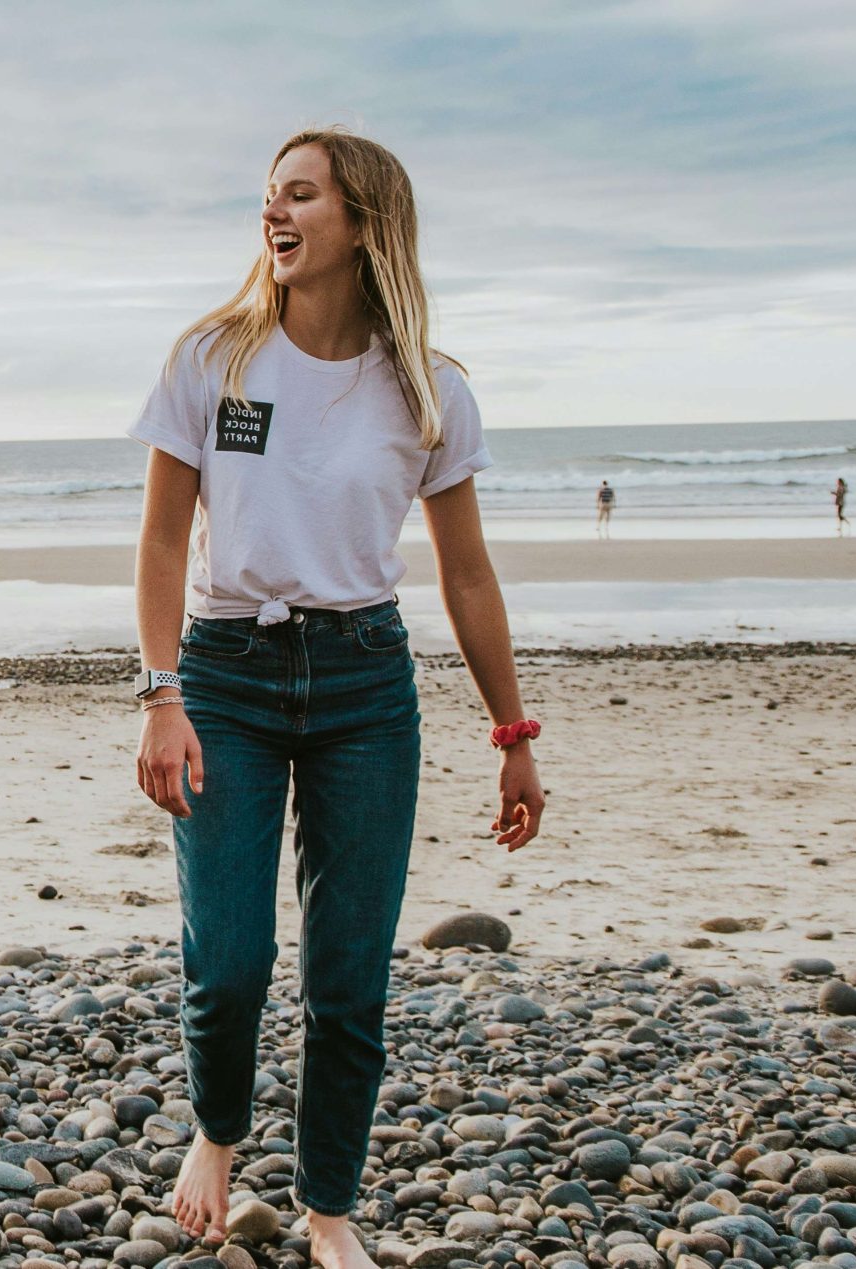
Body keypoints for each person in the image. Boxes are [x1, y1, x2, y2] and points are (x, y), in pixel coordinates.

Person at [126, 128, 546, 1269]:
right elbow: (164, 541)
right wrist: (159, 694)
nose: (276, 211)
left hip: (365, 683)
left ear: (361, 221)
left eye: (300, 194)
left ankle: (327, 1211)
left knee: (349, 974)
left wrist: (511, 735)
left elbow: (464, 574)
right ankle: (216, 1132)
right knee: (229, 958)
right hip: (224, 673)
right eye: (268, 195)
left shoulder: (427, 387)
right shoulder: (211, 359)